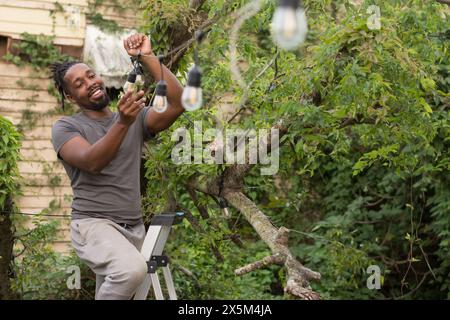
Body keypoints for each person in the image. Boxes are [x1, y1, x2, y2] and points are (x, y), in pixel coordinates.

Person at [50, 33, 184, 299]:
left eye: (90, 75)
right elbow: (93, 161)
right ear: (70, 96)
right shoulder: (67, 127)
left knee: (116, 288)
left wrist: (145, 57)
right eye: (79, 84)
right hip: (94, 225)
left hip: (133, 227)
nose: (90, 83)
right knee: (132, 271)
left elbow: (179, 102)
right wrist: (122, 122)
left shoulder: (134, 117)